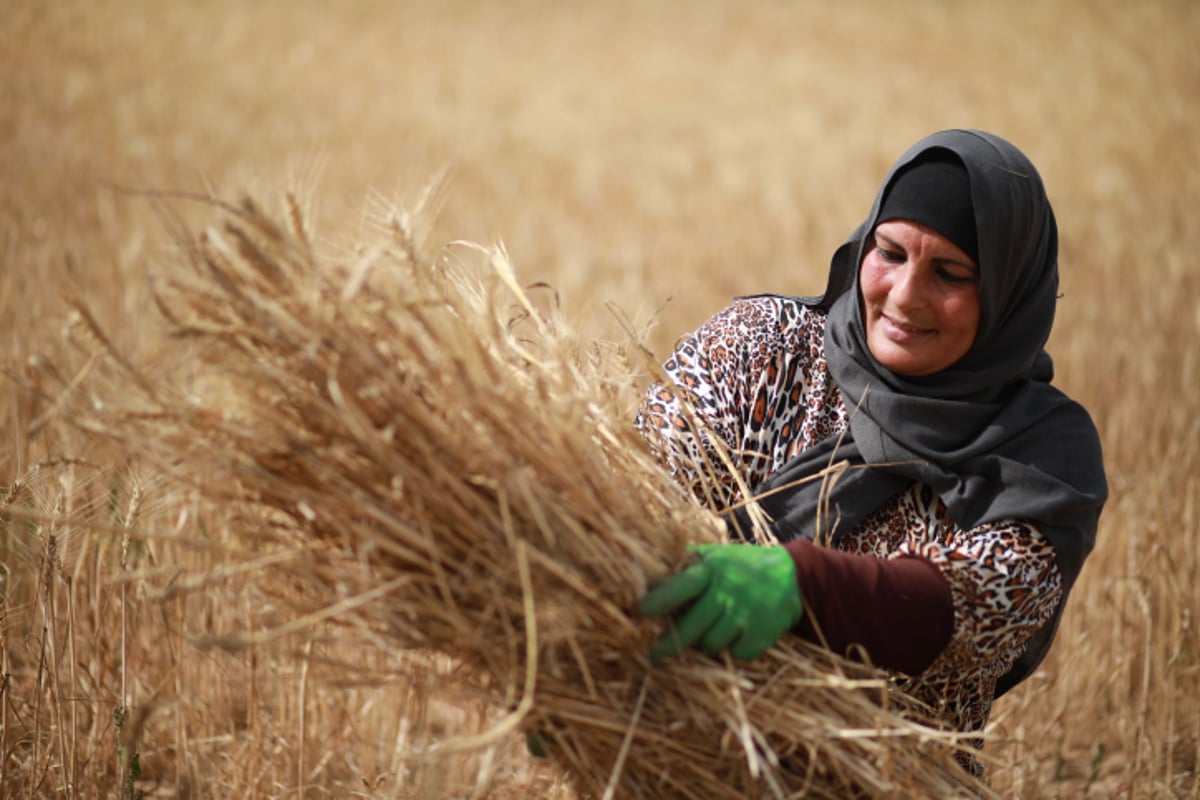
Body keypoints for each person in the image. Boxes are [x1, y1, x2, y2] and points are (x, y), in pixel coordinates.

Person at [634, 129, 1108, 775]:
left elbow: (989, 602)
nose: (906, 295)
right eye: (889, 253)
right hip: (670, 759)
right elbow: (634, 487)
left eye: (951, 274)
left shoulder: (1044, 453)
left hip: (880, 783)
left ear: (1007, 294)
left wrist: (807, 588)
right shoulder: (759, 345)